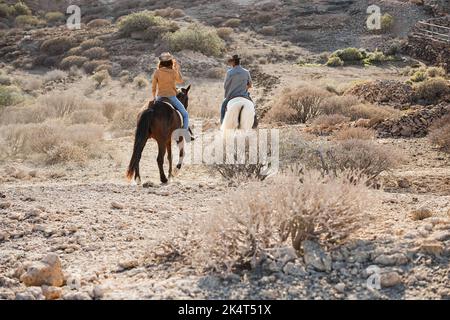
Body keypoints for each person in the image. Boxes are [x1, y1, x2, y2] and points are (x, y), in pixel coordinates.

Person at [151, 52, 193, 139]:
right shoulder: (173, 72)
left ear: (161, 63)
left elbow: (154, 87)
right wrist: (177, 69)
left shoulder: (157, 72)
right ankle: (184, 133)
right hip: (171, 97)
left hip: (160, 97)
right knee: (185, 114)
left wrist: (154, 97)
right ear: (171, 62)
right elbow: (180, 81)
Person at [220, 54, 253, 124]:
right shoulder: (246, 72)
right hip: (244, 96)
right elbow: (250, 85)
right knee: (252, 106)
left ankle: (222, 123)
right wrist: (244, 88)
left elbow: (225, 86)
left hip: (232, 96)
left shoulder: (229, 72)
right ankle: (254, 122)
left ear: (233, 62)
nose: (230, 63)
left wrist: (227, 96)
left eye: (231, 62)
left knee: (223, 106)